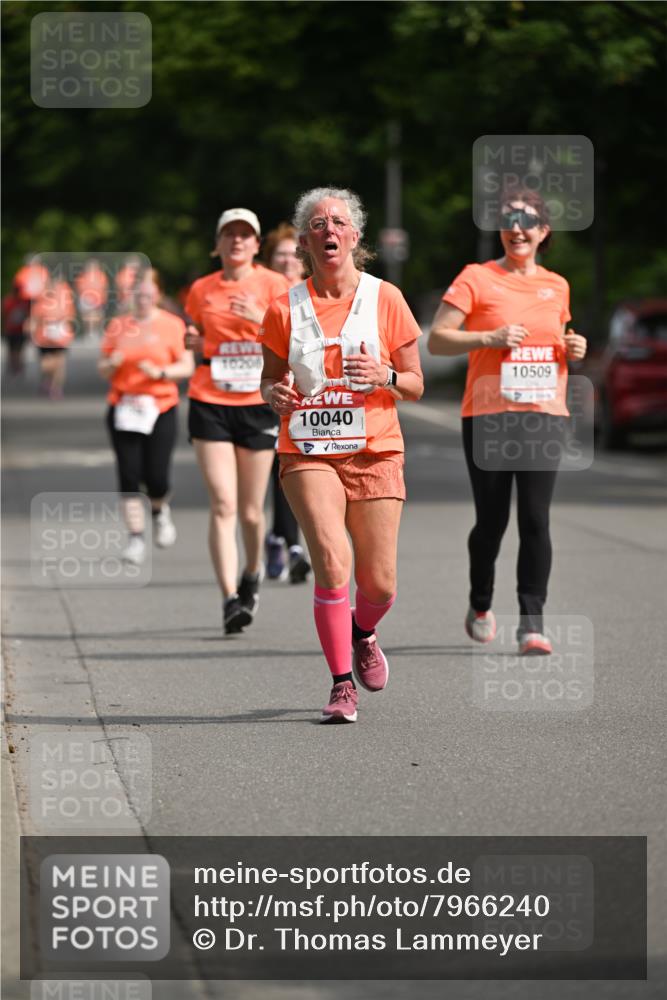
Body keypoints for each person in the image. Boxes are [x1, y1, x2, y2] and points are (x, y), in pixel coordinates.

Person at [259, 187, 424, 723]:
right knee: (333, 561)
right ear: (306, 240)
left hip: (376, 448)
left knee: (379, 583)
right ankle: (339, 684)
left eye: (338, 221)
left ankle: (362, 631)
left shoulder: (387, 298)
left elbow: (416, 384)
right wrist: (274, 394)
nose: (328, 229)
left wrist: (387, 376)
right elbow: (268, 381)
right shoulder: (283, 308)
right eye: (316, 223)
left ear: (355, 235)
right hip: (307, 448)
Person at [428, 188, 587, 655]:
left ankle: (532, 621)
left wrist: (573, 347)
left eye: (527, 220)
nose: (517, 228)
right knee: (492, 521)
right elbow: (438, 339)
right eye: (508, 219)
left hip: (544, 415)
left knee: (536, 518)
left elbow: (558, 338)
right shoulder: (476, 277)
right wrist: (490, 336)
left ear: (543, 231)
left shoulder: (557, 285)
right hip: (489, 416)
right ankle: (480, 603)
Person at [185, 208, 289, 634]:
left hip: (257, 401)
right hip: (208, 398)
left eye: (245, 235)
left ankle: (252, 571)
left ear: (257, 244)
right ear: (218, 242)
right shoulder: (201, 289)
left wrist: (255, 319)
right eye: (229, 234)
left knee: (250, 510)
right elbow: (195, 336)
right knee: (223, 503)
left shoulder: (274, 285)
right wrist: (194, 343)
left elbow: (292, 339)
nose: (237, 241)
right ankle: (229, 597)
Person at [99, 268, 194, 564]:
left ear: (158, 293)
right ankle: (136, 538)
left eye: (147, 291)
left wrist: (162, 373)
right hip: (124, 407)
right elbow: (103, 368)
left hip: (160, 406)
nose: (142, 297)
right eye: (137, 292)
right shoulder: (118, 326)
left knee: (156, 477)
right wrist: (111, 364)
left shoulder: (172, 325)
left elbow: (187, 365)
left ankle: (159, 509)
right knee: (128, 474)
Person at [261, 223, 311, 584]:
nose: (287, 259)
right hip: (260, 392)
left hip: (304, 397)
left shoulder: (314, 293)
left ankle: (287, 541)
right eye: (280, 253)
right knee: (273, 467)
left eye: (293, 252)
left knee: (292, 464)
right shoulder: (260, 292)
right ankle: (279, 539)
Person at [27, 272, 76, 399]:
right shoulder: (41, 300)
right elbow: (35, 317)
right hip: (43, 337)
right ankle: (47, 380)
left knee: (60, 362)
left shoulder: (65, 300)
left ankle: (56, 388)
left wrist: (62, 325)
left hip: (60, 336)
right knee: (46, 365)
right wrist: (31, 330)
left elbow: (70, 316)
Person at [75, 258, 108, 339]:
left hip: (99, 299)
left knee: (98, 317)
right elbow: (79, 288)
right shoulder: (83, 276)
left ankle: (96, 332)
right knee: (87, 317)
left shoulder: (101, 275)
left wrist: (103, 298)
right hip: (86, 299)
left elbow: (104, 288)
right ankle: (88, 332)